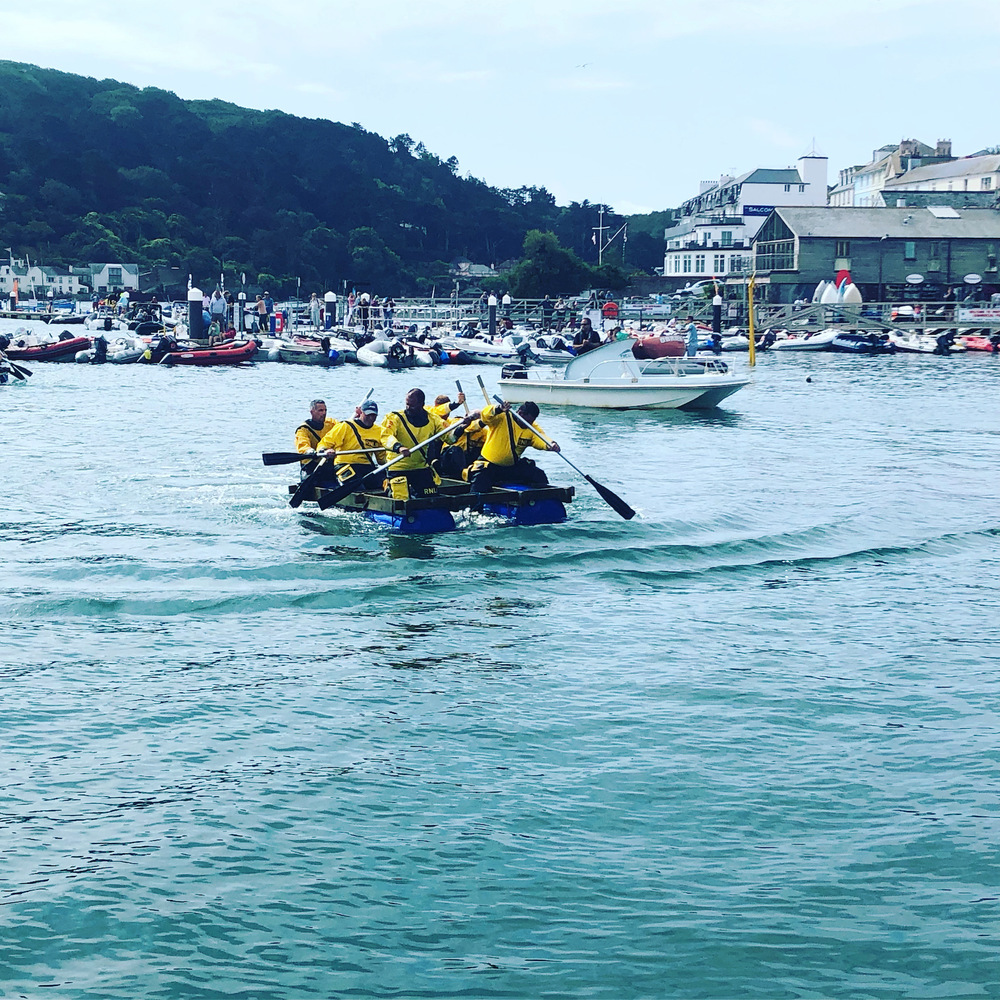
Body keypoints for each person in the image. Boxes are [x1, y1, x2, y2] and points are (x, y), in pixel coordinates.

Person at [381, 388, 467, 498]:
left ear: (422, 404)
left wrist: (462, 428)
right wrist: (399, 447)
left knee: (431, 497)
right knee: (401, 500)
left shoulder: (434, 419)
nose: (408, 408)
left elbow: (450, 438)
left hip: (420, 468)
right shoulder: (394, 418)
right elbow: (386, 436)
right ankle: (389, 488)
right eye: (407, 404)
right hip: (398, 469)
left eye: (412, 405)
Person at [467, 400, 559, 493]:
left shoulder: (532, 427)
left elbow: (540, 438)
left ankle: (546, 500)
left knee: (538, 474)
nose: (528, 424)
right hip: (489, 465)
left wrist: (550, 445)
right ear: (520, 413)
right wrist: (498, 408)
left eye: (532, 421)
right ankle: (474, 506)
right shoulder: (501, 417)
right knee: (479, 482)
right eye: (527, 421)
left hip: (511, 467)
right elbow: (485, 414)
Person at [316, 399, 385, 485]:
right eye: (368, 415)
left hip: (366, 466)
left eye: (373, 415)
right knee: (356, 485)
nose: (370, 418)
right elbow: (324, 443)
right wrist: (325, 451)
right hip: (344, 465)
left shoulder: (379, 431)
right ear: (361, 413)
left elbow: (381, 459)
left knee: (385, 481)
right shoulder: (345, 426)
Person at [294, 399, 336, 478]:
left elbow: (344, 428)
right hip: (311, 466)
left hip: (327, 464)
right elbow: (303, 447)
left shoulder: (331, 423)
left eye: (325, 410)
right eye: (320, 410)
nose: (324, 413)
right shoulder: (303, 429)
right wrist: (311, 451)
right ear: (312, 412)